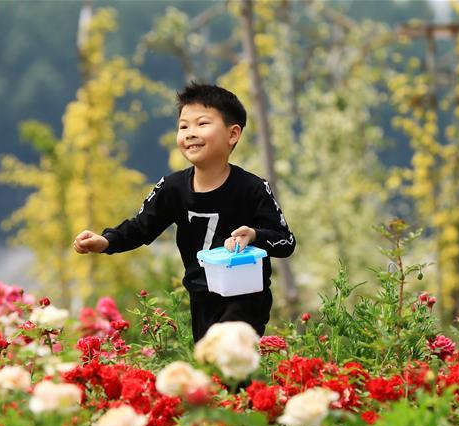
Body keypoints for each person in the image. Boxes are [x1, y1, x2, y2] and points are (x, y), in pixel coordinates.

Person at [72, 82, 296, 342]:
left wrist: (254, 235)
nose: (190, 133)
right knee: (216, 373)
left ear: (233, 134)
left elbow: (286, 241)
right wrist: (106, 240)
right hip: (201, 298)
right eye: (183, 126)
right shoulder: (172, 188)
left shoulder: (253, 188)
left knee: (227, 352)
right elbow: (141, 227)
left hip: (245, 297)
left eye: (202, 124)